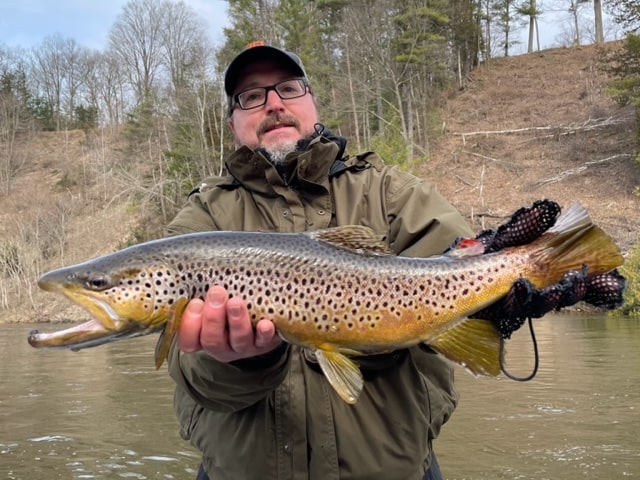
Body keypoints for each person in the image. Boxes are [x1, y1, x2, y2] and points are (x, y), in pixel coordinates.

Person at [164, 41, 584, 480]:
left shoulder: (392, 193)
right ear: (232, 121)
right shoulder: (201, 221)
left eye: (287, 88)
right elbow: (186, 370)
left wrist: (490, 306)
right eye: (251, 96)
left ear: (311, 101)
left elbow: (459, 265)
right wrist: (240, 360)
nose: (272, 104)